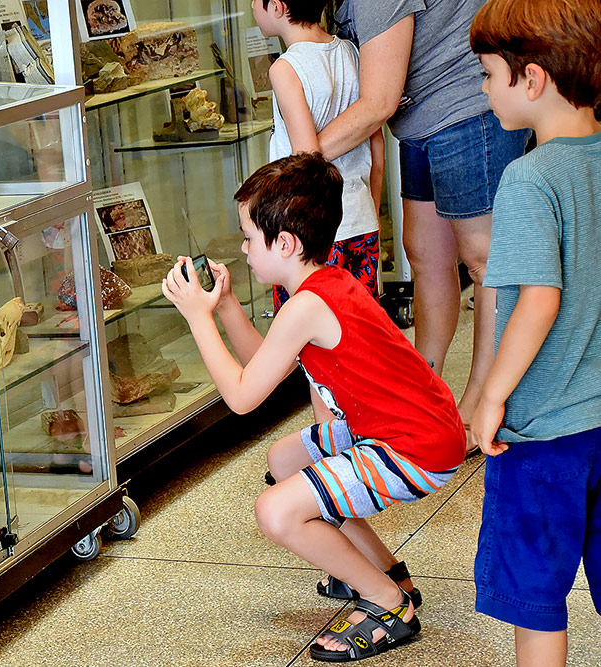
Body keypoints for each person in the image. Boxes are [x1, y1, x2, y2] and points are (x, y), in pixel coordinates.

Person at [161, 153, 465, 662]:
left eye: (248, 238)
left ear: (285, 243)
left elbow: (240, 398)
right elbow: (263, 367)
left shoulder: (307, 305)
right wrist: (228, 307)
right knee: (283, 460)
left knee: (275, 512)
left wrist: (197, 319)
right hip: (412, 426)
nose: (242, 249)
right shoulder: (323, 284)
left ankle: (389, 604)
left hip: (414, 446)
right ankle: (387, 572)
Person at [316, 0, 529, 447]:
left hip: (466, 105)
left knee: (483, 259)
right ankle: (422, 390)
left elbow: (379, 99)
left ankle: (483, 400)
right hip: (420, 118)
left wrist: (297, 161)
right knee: (425, 255)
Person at [468, 1, 601, 664]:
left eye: (489, 73)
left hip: (543, 432)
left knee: (536, 596)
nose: (484, 88)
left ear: (534, 79)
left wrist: (492, 395)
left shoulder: (530, 179)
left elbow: (537, 301)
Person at [254, 0, 383, 427]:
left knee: (317, 352)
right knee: (359, 343)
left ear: (277, 6)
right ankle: (365, 434)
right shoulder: (350, 51)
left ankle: (332, 449)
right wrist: (369, 207)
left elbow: (306, 159)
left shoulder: (285, 68)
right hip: (358, 221)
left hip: (309, 236)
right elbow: (375, 142)